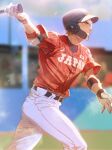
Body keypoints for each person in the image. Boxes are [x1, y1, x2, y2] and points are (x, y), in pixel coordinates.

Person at [6, 4, 112, 150]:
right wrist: (24, 20)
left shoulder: (85, 52)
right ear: (74, 26)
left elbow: (90, 77)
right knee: (77, 145)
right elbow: (36, 36)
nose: (91, 26)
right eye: (86, 22)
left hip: (47, 104)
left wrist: (101, 93)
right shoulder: (56, 41)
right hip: (41, 102)